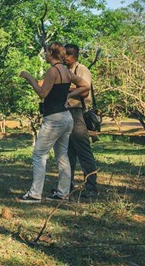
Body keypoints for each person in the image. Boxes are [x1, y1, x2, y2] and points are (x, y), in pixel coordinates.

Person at [18, 42, 90, 203]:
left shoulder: (53, 71)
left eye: (46, 52)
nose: (45, 55)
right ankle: (62, 192)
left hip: (54, 119)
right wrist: (68, 97)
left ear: (51, 53)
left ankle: (35, 193)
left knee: (39, 155)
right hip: (66, 117)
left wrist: (29, 78)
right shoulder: (66, 70)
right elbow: (85, 86)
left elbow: (42, 94)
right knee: (62, 155)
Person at [64, 43, 99, 199]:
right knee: (67, 153)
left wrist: (66, 89)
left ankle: (91, 187)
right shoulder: (65, 71)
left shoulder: (81, 69)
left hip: (77, 113)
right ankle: (67, 185)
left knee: (84, 152)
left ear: (75, 56)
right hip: (65, 112)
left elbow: (85, 90)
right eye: (64, 54)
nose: (65, 57)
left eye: (68, 54)